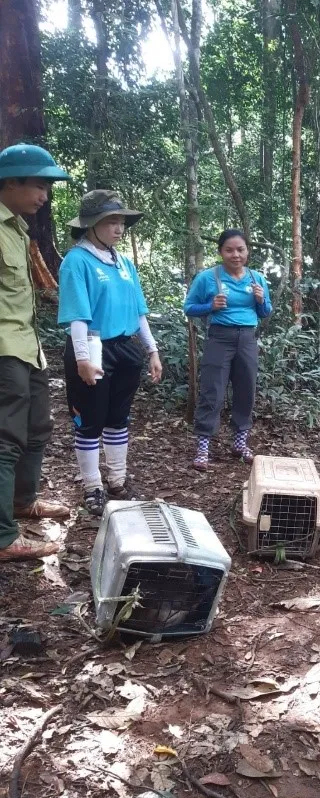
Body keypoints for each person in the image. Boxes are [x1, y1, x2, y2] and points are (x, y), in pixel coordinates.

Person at [58, 190, 162, 515]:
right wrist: (82, 360)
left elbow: (139, 311)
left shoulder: (124, 261)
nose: (119, 229)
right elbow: (78, 315)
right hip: (91, 346)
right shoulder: (77, 261)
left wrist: (152, 350)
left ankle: (117, 480)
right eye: (111, 222)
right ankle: (92, 487)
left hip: (124, 347)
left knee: (118, 419)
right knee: (90, 421)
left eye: (121, 222)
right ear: (91, 224)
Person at [0, 144, 71, 561]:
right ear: (11, 182)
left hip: (29, 347)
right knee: (6, 439)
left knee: (36, 430)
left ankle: (22, 501)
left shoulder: (18, 229)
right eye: (39, 185)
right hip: (5, 349)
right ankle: (5, 536)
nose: (44, 195)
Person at [184, 229, 272, 469]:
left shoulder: (257, 278)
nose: (236, 255)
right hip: (219, 337)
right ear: (221, 252)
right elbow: (189, 308)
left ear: (247, 251)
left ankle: (240, 443)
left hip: (247, 338)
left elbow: (265, 313)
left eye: (240, 249)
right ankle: (203, 448)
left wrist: (261, 300)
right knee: (212, 390)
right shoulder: (207, 278)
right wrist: (210, 306)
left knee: (246, 389)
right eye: (229, 250)